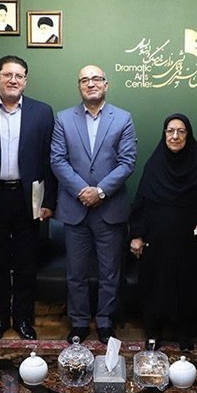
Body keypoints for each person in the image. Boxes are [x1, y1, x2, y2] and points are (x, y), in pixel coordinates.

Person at [0, 56, 57, 341]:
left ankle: (23, 318)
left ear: (25, 81)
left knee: (26, 263)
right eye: (7, 74)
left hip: (28, 198)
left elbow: (50, 160)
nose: (13, 80)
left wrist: (49, 201)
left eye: (19, 76)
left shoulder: (42, 112)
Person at [50, 65, 137, 344]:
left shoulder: (123, 118)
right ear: (79, 87)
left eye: (96, 79)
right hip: (75, 208)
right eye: (84, 80)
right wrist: (82, 191)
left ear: (106, 84)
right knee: (75, 273)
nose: (91, 84)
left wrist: (100, 192)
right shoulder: (64, 118)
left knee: (109, 273)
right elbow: (57, 160)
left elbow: (127, 162)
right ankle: (78, 322)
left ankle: (105, 322)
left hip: (109, 209)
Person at [129, 113, 197, 351]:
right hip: (156, 241)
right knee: (155, 285)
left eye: (181, 131)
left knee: (187, 286)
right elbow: (141, 203)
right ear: (164, 134)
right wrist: (137, 235)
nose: (175, 136)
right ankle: (153, 332)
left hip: (189, 241)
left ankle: (184, 333)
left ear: (188, 135)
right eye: (170, 131)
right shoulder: (154, 165)